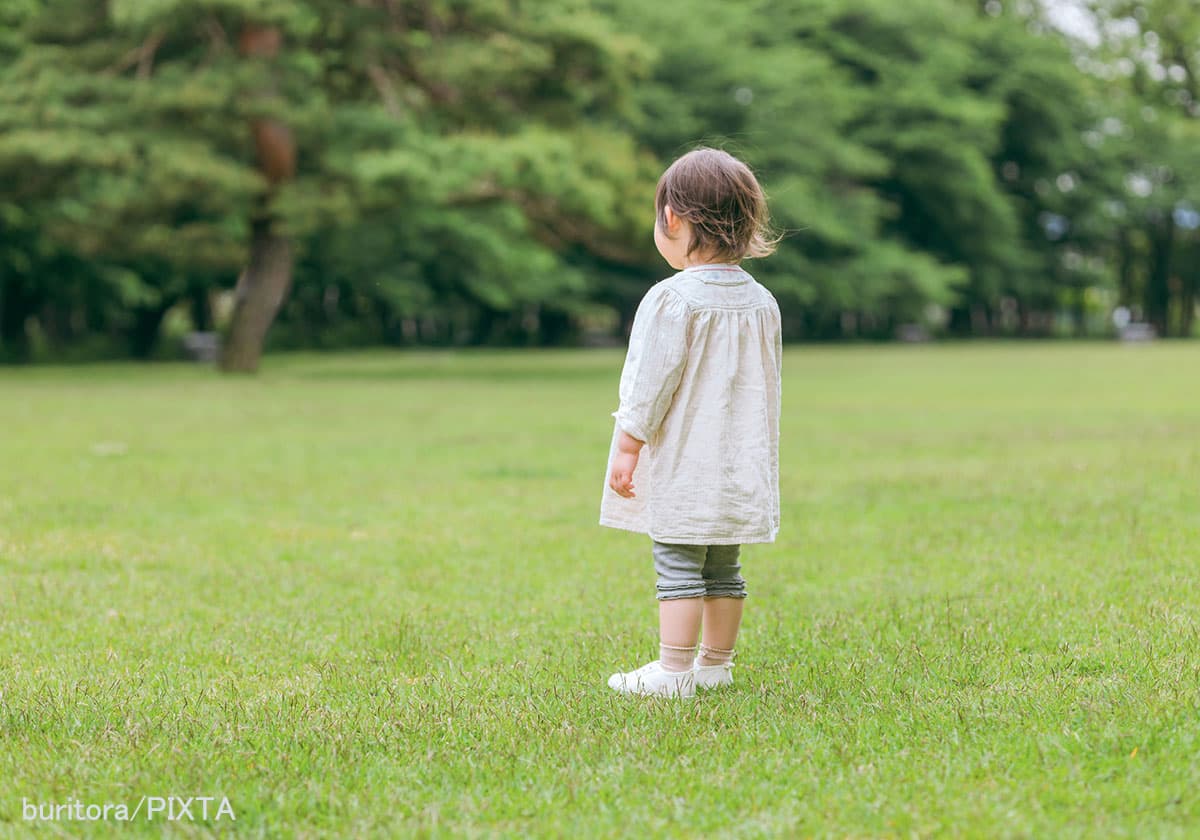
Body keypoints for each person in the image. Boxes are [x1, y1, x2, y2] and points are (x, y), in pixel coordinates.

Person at [601, 147, 782, 698]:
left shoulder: (672, 299)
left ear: (672, 218)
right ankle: (715, 664)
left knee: (677, 564)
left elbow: (648, 386)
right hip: (740, 461)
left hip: (687, 460)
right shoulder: (762, 302)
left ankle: (674, 672)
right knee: (725, 568)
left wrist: (627, 446)